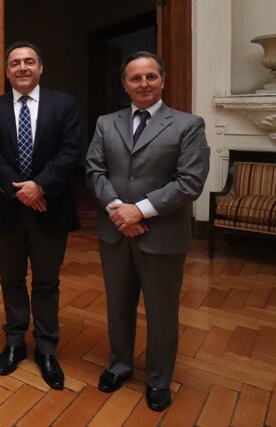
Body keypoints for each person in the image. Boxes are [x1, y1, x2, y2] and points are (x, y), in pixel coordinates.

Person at [86, 51, 209, 411]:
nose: (144, 84)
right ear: (124, 84)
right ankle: (119, 365)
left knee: (161, 312)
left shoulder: (188, 124)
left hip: (162, 235)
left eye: (151, 77)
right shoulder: (106, 123)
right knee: (118, 305)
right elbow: (94, 170)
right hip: (115, 233)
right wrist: (117, 210)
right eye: (135, 78)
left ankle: (158, 379)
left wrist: (138, 210)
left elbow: (190, 182)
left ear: (163, 81)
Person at [0, 41, 81, 390]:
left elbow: (71, 151)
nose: (22, 67)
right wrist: (21, 191)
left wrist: (40, 186)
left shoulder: (63, 104)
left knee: (47, 282)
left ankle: (47, 348)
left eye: (29, 61)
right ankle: (15, 342)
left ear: (40, 68)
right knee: (11, 280)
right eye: (15, 63)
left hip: (50, 209)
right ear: (7, 71)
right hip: (9, 209)